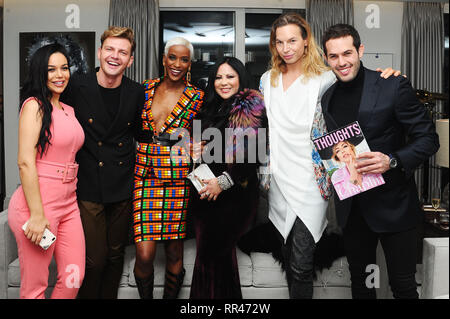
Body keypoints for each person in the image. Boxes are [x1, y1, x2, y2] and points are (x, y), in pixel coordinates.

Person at [259, 12, 401, 299]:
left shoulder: (325, 78)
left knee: (301, 263)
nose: (287, 48)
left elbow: (358, 81)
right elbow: (258, 125)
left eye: (293, 41)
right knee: (288, 257)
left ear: (306, 41)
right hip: (278, 179)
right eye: (280, 42)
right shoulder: (267, 79)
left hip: (312, 181)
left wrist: (390, 78)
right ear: (274, 45)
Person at [321, 23, 439, 298]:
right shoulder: (327, 97)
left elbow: (429, 139)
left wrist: (393, 160)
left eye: (347, 53)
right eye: (334, 56)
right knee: (361, 287)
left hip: (394, 205)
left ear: (360, 50)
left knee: (403, 287)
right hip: (352, 209)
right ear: (326, 58)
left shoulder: (392, 85)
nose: (342, 62)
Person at [61, 26, 145, 299]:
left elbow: (143, 136)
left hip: (122, 183)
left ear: (130, 60)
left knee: (115, 255)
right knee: (95, 259)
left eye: (122, 52)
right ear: (99, 52)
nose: (114, 56)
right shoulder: (76, 85)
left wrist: (182, 143)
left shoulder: (136, 92)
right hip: (87, 183)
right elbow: (60, 125)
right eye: (110, 49)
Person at [8, 43, 85, 299]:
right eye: (51, 69)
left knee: (74, 275)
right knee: (35, 288)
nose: (59, 75)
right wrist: (38, 215)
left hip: (69, 203)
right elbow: (25, 161)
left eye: (64, 68)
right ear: (40, 72)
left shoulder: (68, 109)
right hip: (38, 205)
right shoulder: (34, 105)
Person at [189, 56, 267, 299]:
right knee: (206, 260)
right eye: (219, 77)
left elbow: (253, 156)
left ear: (241, 79)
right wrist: (194, 151)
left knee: (215, 258)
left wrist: (221, 183)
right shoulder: (209, 108)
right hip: (205, 195)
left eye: (230, 77)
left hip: (235, 196)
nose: (224, 82)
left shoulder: (250, 106)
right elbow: (196, 151)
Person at [132, 37, 204, 299]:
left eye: (184, 59)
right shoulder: (145, 89)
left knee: (174, 252)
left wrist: (200, 144)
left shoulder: (197, 97)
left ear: (189, 64)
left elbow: (205, 133)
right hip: (145, 175)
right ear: (164, 59)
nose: (177, 64)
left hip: (176, 178)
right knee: (144, 253)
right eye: (172, 57)